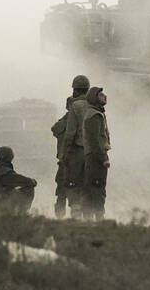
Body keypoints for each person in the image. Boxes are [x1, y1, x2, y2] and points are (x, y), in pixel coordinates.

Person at [56, 74, 91, 218]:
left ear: (75, 90)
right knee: (88, 185)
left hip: (76, 152)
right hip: (92, 153)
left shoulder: (74, 108)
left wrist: (64, 154)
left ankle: (72, 214)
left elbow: (67, 133)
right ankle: (90, 215)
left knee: (70, 183)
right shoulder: (95, 106)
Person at [82, 85, 112, 220]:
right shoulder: (94, 116)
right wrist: (103, 158)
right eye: (101, 95)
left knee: (92, 189)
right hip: (96, 158)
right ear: (94, 99)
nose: (104, 96)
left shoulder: (96, 113)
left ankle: (88, 220)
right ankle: (99, 220)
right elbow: (95, 140)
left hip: (94, 157)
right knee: (97, 189)